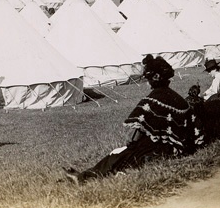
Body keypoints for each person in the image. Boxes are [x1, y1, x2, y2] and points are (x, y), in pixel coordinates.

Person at [63, 55, 196, 184]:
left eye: (148, 79)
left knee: (123, 155)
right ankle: (86, 175)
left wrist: (132, 144)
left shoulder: (153, 100)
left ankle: (85, 177)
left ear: (154, 78)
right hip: (179, 147)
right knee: (126, 153)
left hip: (163, 148)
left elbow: (137, 130)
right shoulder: (179, 99)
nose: (148, 83)